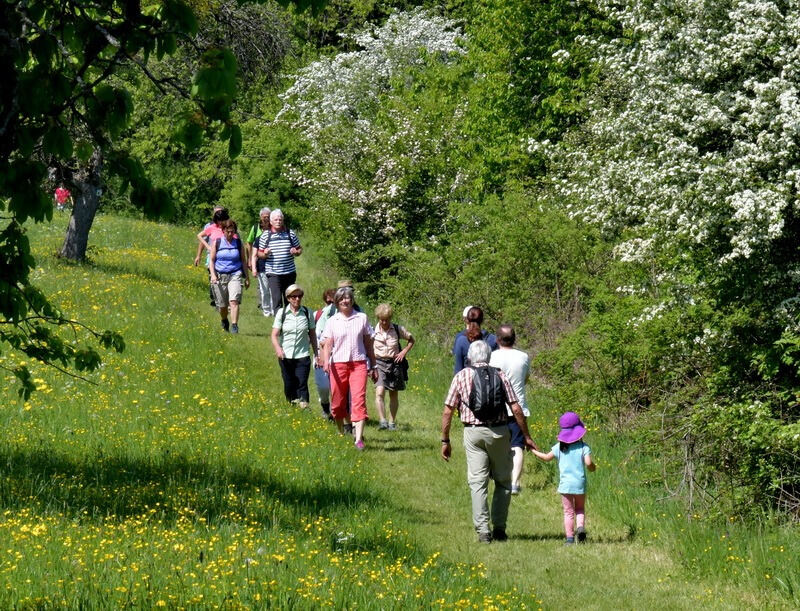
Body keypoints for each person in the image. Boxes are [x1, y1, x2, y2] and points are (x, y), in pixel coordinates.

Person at [441, 340, 537, 543]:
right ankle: (500, 529)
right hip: (499, 432)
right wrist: (526, 436)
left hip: (473, 433)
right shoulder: (500, 375)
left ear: (470, 357)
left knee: (478, 482)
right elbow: (516, 408)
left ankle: (483, 531)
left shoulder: (461, 376)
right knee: (503, 481)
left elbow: (448, 410)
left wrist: (445, 440)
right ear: (489, 356)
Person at [320, 286, 378, 450]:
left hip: (358, 364)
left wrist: (373, 365)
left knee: (358, 400)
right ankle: (340, 432)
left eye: (348, 298)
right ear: (337, 302)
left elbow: (368, 343)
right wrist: (326, 361)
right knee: (338, 403)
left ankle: (358, 439)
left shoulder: (362, 318)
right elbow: (327, 343)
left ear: (352, 300)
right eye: (342, 298)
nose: (345, 301)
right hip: (338, 365)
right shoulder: (332, 321)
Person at [532, 411, 596, 544]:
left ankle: (570, 538)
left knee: (568, 512)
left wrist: (533, 450)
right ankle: (580, 528)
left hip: (565, 485)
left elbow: (546, 457)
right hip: (579, 484)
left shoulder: (559, 447)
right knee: (580, 509)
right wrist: (592, 467)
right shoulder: (584, 447)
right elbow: (589, 463)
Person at [489, 324, 531, 495]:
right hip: (517, 408)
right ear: (514, 339)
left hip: (496, 407)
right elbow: (526, 378)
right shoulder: (524, 357)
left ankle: (499, 475)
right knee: (517, 445)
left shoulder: (492, 356)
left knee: (497, 442)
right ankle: (514, 483)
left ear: (497, 339)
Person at [272, 284, 318, 408]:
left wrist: (316, 353)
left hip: (302, 355)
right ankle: (292, 405)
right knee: (289, 383)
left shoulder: (307, 313)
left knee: (302, 383)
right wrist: (278, 349)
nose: (297, 299)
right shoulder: (282, 313)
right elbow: (274, 335)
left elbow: (312, 334)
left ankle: (304, 407)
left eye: (299, 296)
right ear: (288, 298)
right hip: (285, 356)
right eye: (294, 297)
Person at [372, 303, 415, 430]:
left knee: (393, 394)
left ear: (390, 318)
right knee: (379, 391)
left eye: (386, 319)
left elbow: (411, 339)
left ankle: (391, 423)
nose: (384, 322)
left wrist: (403, 352)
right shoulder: (373, 331)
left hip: (394, 364)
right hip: (379, 363)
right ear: (378, 318)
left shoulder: (397, 329)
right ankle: (382, 421)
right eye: (382, 319)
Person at [257, 209, 302, 314]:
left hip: (289, 272)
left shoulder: (290, 233)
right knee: (277, 300)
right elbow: (259, 253)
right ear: (271, 222)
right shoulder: (266, 235)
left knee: (289, 299)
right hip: (273, 273)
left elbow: (299, 249)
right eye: (276, 220)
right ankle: (279, 322)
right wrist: (265, 254)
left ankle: (289, 320)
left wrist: (296, 252)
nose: (278, 222)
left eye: (280, 219)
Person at [209, 219, 249, 333]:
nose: (230, 234)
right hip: (220, 275)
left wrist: (247, 277)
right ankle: (224, 320)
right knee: (222, 305)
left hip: (235, 274)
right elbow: (212, 260)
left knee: (234, 301)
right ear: (223, 231)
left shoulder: (238, 243)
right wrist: (213, 275)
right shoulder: (217, 242)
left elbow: (243, 261)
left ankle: (234, 326)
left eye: (232, 231)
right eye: (228, 232)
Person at [195, 206, 227, 307]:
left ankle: (222, 298)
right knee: (212, 276)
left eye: (220, 212)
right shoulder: (209, 226)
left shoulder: (227, 226)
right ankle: (215, 297)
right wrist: (199, 255)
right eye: (216, 213)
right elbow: (202, 239)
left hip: (224, 256)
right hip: (211, 255)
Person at [313, 288, 336, 420]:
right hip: (319, 356)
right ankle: (325, 405)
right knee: (323, 386)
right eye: (328, 302)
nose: (330, 305)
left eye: (332, 302)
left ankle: (340, 413)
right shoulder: (317, 315)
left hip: (337, 355)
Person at [453, 306, 498, 373]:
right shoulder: (493, 339)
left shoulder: (461, 341)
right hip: (489, 377)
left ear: (467, 320)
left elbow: (458, 369)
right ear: (482, 320)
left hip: (468, 377)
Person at [248, 207, 272, 316]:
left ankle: (271, 307)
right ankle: (264, 306)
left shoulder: (274, 229)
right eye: (264, 217)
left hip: (272, 262)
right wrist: (250, 260)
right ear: (260, 217)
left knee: (271, 287)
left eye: (268, 217)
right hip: (259, 261)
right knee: (263, 287)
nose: (266, 219)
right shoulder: (255, 228)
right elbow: (249, 243)